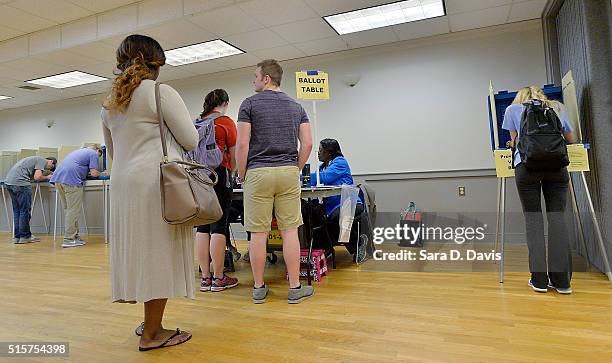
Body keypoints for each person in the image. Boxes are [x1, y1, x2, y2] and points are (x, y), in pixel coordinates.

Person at [101, 34, 196, 351]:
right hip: (154, 183)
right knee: (158, 254)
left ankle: (149, 321)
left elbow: (113, 152)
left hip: (123, 185)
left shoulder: (111, 103)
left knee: (141, 252)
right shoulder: (160, 92)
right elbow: (191, 140)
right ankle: (153, 333)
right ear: (155, 63)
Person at [236, 59, 314, 304]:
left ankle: (259, 288)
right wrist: (296, 168)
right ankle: (294, 287)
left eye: (255, 76)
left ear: (266, 78)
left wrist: (241, 173)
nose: (253, 80)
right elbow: (308, 143)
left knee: (258, 233)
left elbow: (242, 144)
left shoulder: (248, 104)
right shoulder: (296, 106)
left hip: (258, 173)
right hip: (288, 172)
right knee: (290, 231)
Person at [502, 86, 576, 294]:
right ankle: (562, 282)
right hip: (557, 168)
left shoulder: (512, 109)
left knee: (533, 221)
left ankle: (539, 280)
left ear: (520, 97)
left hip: (527, 168)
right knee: (558, 220)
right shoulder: (558, 107)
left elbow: (515, 141)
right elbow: (570, 139)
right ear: (542, 96)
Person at [194, 89, 239, 292]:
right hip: (220, 174)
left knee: (202, 226)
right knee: (219, 225)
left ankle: (205, 278)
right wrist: (236, 172)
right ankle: (219, 278)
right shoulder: (225, 122)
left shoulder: (197, 122)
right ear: (225, 103)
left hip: (198, 175)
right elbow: (235, 152)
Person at [311, 139, 366, 262]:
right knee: (313, 213)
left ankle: (359, 245)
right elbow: (316, 180)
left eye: (321, 150)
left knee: (338, 218)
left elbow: (324, 178)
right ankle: (325, 248)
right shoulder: (322, 168)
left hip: (349, 203)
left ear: (329, 153)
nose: (318, 153)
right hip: (332, 207)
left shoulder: (340, 163)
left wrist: (299, 177)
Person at [50, 145, 106, 248]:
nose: (97, 158)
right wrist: (103, 172)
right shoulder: (93, 153)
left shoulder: (79, 152)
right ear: (98, 150)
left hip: (58, 180)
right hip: (71, 180)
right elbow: (94, 173)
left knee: (69, 210)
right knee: (73, 211)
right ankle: (68, 239)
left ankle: (74, 236)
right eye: (99, 156)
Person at [5, 156, 56, 244]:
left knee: (17, 211)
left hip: (9, 183)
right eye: (51, 168)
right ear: (51, 161)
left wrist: (42, 175)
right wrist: (47, 177)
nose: (46, 169)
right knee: (24, 211)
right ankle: (25, 236)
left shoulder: (31, 159)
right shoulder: (42, 160)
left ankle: (18, 237)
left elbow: (32, 176)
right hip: (21, 184)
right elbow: (37, 177)